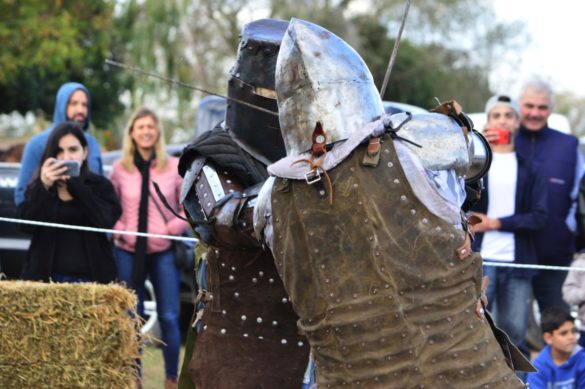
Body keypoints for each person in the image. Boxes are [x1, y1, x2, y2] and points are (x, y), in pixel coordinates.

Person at [254, 18, 530, 387]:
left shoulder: (269, 198)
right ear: (359, 88)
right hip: (467, 373)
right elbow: (477, 154)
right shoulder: (419, 141)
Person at [177, 19, 309, 389]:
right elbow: (222, 216)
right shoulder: (212, 155)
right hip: (240, 336)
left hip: (314, 337)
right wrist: (286, 196)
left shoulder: (317, 156)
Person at [110, 107, 188, 389]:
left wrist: (171, 228)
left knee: (168, 316)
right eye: (140, 126)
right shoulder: (120, 169)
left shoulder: (173, 167)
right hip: (127, 252)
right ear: (132, 132)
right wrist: (120, 231)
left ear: (157, 133)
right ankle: (135, 377)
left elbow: (185, 208)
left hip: (163, 252)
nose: (145, 131)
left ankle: (170, 377)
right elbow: (110, 208)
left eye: (150, 127)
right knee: (132, 316)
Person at [471, 95, 548, 361]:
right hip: (481, 259)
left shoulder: (531, 168)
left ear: (516, 122)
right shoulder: (476, 163)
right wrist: (475, 145)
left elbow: (539, 217)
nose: (502, 120)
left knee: (514, 330)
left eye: (508, 115)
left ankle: (513, 380)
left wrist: (497, 223)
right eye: (496, 115)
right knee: (477, 326)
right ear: (488, 121)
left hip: (518, 262)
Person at [17, 122, 121, 283]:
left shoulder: (100, 185)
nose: (66, 157)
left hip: (92, 283)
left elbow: (106, 220)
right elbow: (24, 225)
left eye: (73, 150)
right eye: (59, 151)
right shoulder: (41, 186)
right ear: (51, 155)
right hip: (47, 282)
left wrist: (75, 184)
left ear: (84, 152)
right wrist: (43, 187)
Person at [515, 80, 585, 312]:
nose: (535, 113)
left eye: (542, 108)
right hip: (509, 255)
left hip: (556, 253)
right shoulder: (503, 143)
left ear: (551, 110)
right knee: (509, 330)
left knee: (560, 325)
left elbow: (580, 196)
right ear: (519, 106)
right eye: (529, 106)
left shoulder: (568, 145)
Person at [15, 82, 103, 206]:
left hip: (86, 222)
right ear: (61, 105)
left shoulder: (92, 144)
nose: (80, 110)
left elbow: (101, 191)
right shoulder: (37, 144)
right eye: (73, 103)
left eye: (84, 105)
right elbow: (21, 196)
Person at [526, 307, 585, 388]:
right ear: (548, 338)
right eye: (564, 333)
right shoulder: (538, 366)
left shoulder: (582, 358)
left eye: (573, 331)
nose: (571, 337)